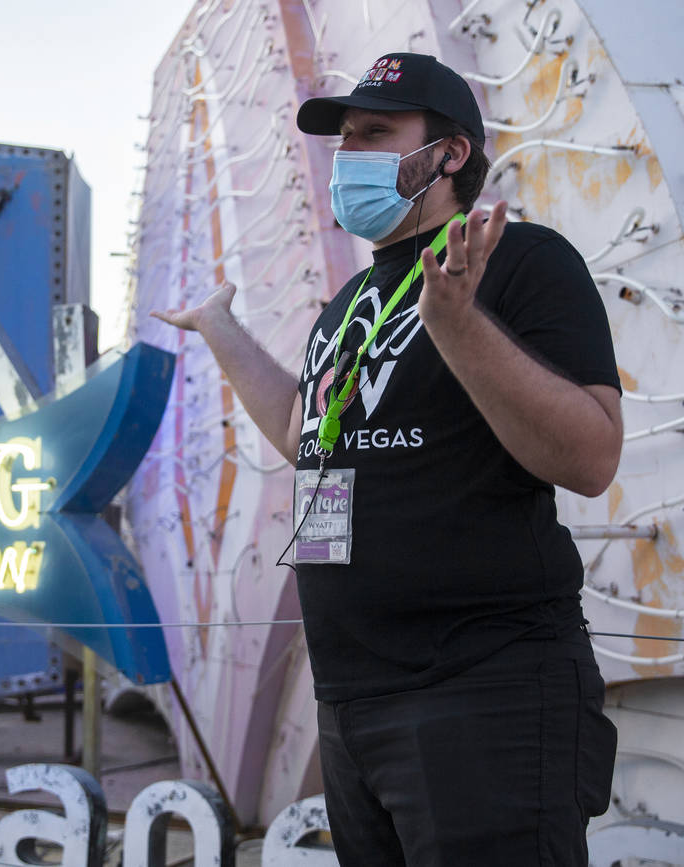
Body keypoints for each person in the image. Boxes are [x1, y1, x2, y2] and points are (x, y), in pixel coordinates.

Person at [152, 53, 620, 865]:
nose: (348, 156)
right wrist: (221, 329)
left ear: (450, 155)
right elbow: (311, 437)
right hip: (353, 702)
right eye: (343, 140)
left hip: (483, 696)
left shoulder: (524, 262)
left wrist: (460, 326)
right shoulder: (350, 304)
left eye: (375, 134)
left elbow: (590, 455)